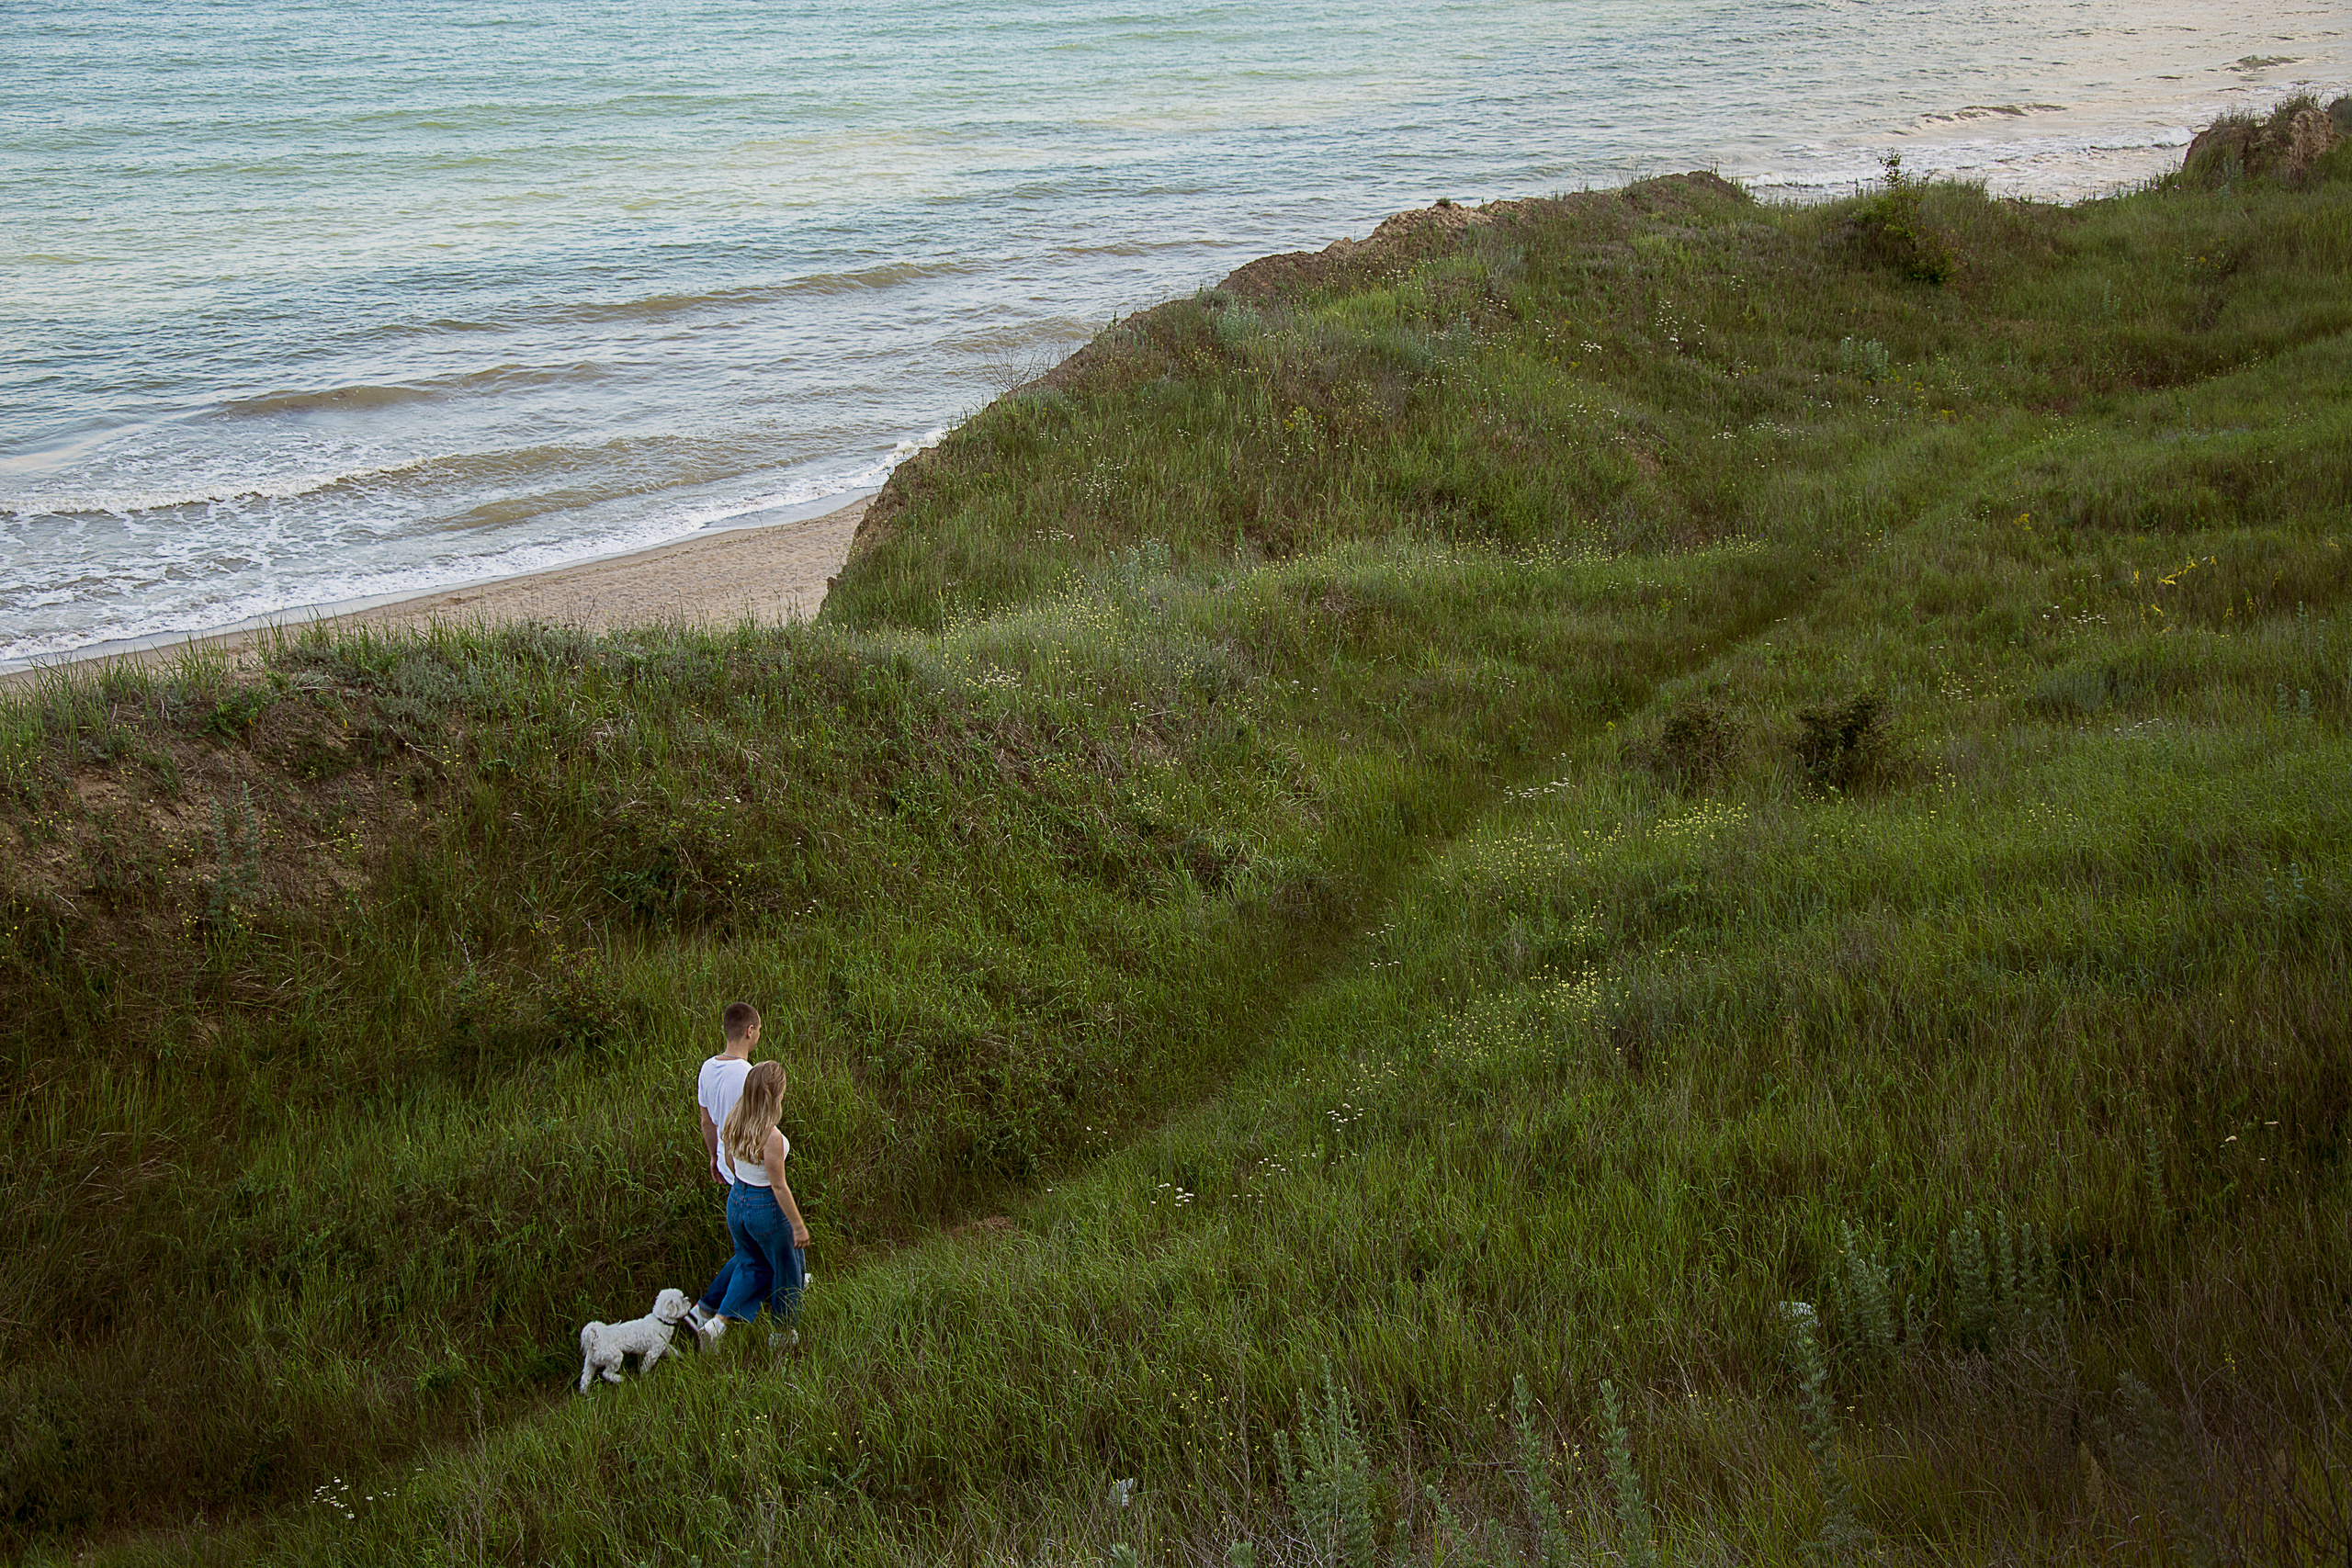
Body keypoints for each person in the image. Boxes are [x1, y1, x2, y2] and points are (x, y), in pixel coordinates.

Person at [708, 1059, 810, 1347]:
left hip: (737, 1200)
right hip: (765, 1206)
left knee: (751, 1265)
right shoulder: (771, 1136)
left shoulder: (733, 1119)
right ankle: (782, 1335)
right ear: (775, 1094)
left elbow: (729, 1160)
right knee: (787, 1270)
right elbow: (779, 1186)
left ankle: (717, 1324)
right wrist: (798, 1226)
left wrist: (741, 1181)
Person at [685, 1001, 764, 1339]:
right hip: (749, 1171)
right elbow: (757, 1128)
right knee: (756, 1251)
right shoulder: (748, 1076)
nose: (758, 1035)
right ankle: (713, 1315)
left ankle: (701, 1313)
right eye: (758, 1030)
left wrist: (714, 1159)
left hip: (726, 1165)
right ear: (750, 1031)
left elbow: (707, 1122)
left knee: (750, 1249)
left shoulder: (707, 1068)